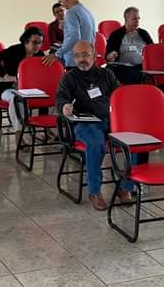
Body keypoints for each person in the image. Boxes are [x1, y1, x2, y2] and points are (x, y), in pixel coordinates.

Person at [56, 41, 133, 211]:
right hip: (86, 123)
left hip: (111, 120)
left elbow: (118, 96)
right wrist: (65, 106)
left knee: (134, 141)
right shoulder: (69, 77)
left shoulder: (106, 74)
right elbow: (61, 98)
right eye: (77, 56)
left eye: (85, 55)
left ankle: (125, 187)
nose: (81, 59)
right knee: (96, 144)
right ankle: (95, 191)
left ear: (94, 55)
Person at [0, 28, 45, 136]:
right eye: (34, 42)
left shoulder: (40, 55)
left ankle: (44, 130)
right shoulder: (14, 50)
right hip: (9, 88)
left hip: (29, 89)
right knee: (16, 99)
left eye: (40, 43)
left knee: (50, 97)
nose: (38, 46)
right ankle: (19, 132)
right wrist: (4, 74)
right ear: (26, 41)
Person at [43, 0, 95, 69]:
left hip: (74, 62)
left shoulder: (71, 13)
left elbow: (74, 37)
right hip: (88, 60)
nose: (61, 2)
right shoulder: (87, 12)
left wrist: (57, 54)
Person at [105, 7, 153, 85]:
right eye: (134, 19)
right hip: (124, 68)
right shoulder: (116, 35)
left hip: (142, 67)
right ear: (126, 19)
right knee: (114, 71)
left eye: (138, 19)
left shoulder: (144, 34)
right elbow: (108, 57)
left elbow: (152, 50)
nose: (137, 21)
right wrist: (111, 55)